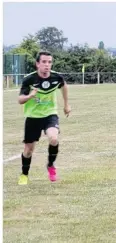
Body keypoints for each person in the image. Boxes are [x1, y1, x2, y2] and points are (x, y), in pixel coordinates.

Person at [17, 51, 71, 185]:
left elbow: (64, 86)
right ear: (37, 64)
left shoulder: (56, 77)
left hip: (50, 114)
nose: (47, 65)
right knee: (28, 150)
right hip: (32, 117)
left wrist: (66, 105)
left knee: (53, 138)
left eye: (49, 62)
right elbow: (20, 100)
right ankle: (24, 174)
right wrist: (29, 96)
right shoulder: (29, 79)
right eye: (44, 62)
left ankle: (51, 165)